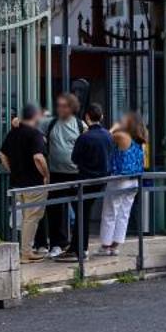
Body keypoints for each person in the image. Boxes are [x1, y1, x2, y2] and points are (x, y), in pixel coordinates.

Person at [0, 103, 50, 256]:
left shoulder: (13, 133)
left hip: (17, 182)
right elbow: (38, 157)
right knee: (31, 218)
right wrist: (46, 174)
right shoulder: (35, 134)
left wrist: (11, 169)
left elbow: (2, 154)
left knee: (22, 217)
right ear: (35, 117)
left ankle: (24, 249)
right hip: (33, 183)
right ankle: (26, 251)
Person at [68, 104, 114, 260]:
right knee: (83, 211)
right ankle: (77, 247)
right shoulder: (108, 135)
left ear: (87, 117)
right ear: (101, 117)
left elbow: (74, 158)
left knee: (82, 212)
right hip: (101, 180)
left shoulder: (84, 137)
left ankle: (81, 248)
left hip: (85, 180)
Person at [99, 111, 147, 257]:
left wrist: (114, 126)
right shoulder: (142, 140)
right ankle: (115, 245)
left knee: (110, 212)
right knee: (123, 213)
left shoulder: (122, 136)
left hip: (119, 180)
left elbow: (105, 136)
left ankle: (106, 245)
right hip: (134, 181)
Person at [42, 93, 82, 257]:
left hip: (75, 173)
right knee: (54, 209)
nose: (60, 108)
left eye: (64, 106)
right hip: (55, 173)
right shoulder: (50, 123)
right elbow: (30, 124)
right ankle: (56, 244)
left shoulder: (79, 124)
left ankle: (77, 245)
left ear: (72, 108)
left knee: (79, 209)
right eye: (59, 105)